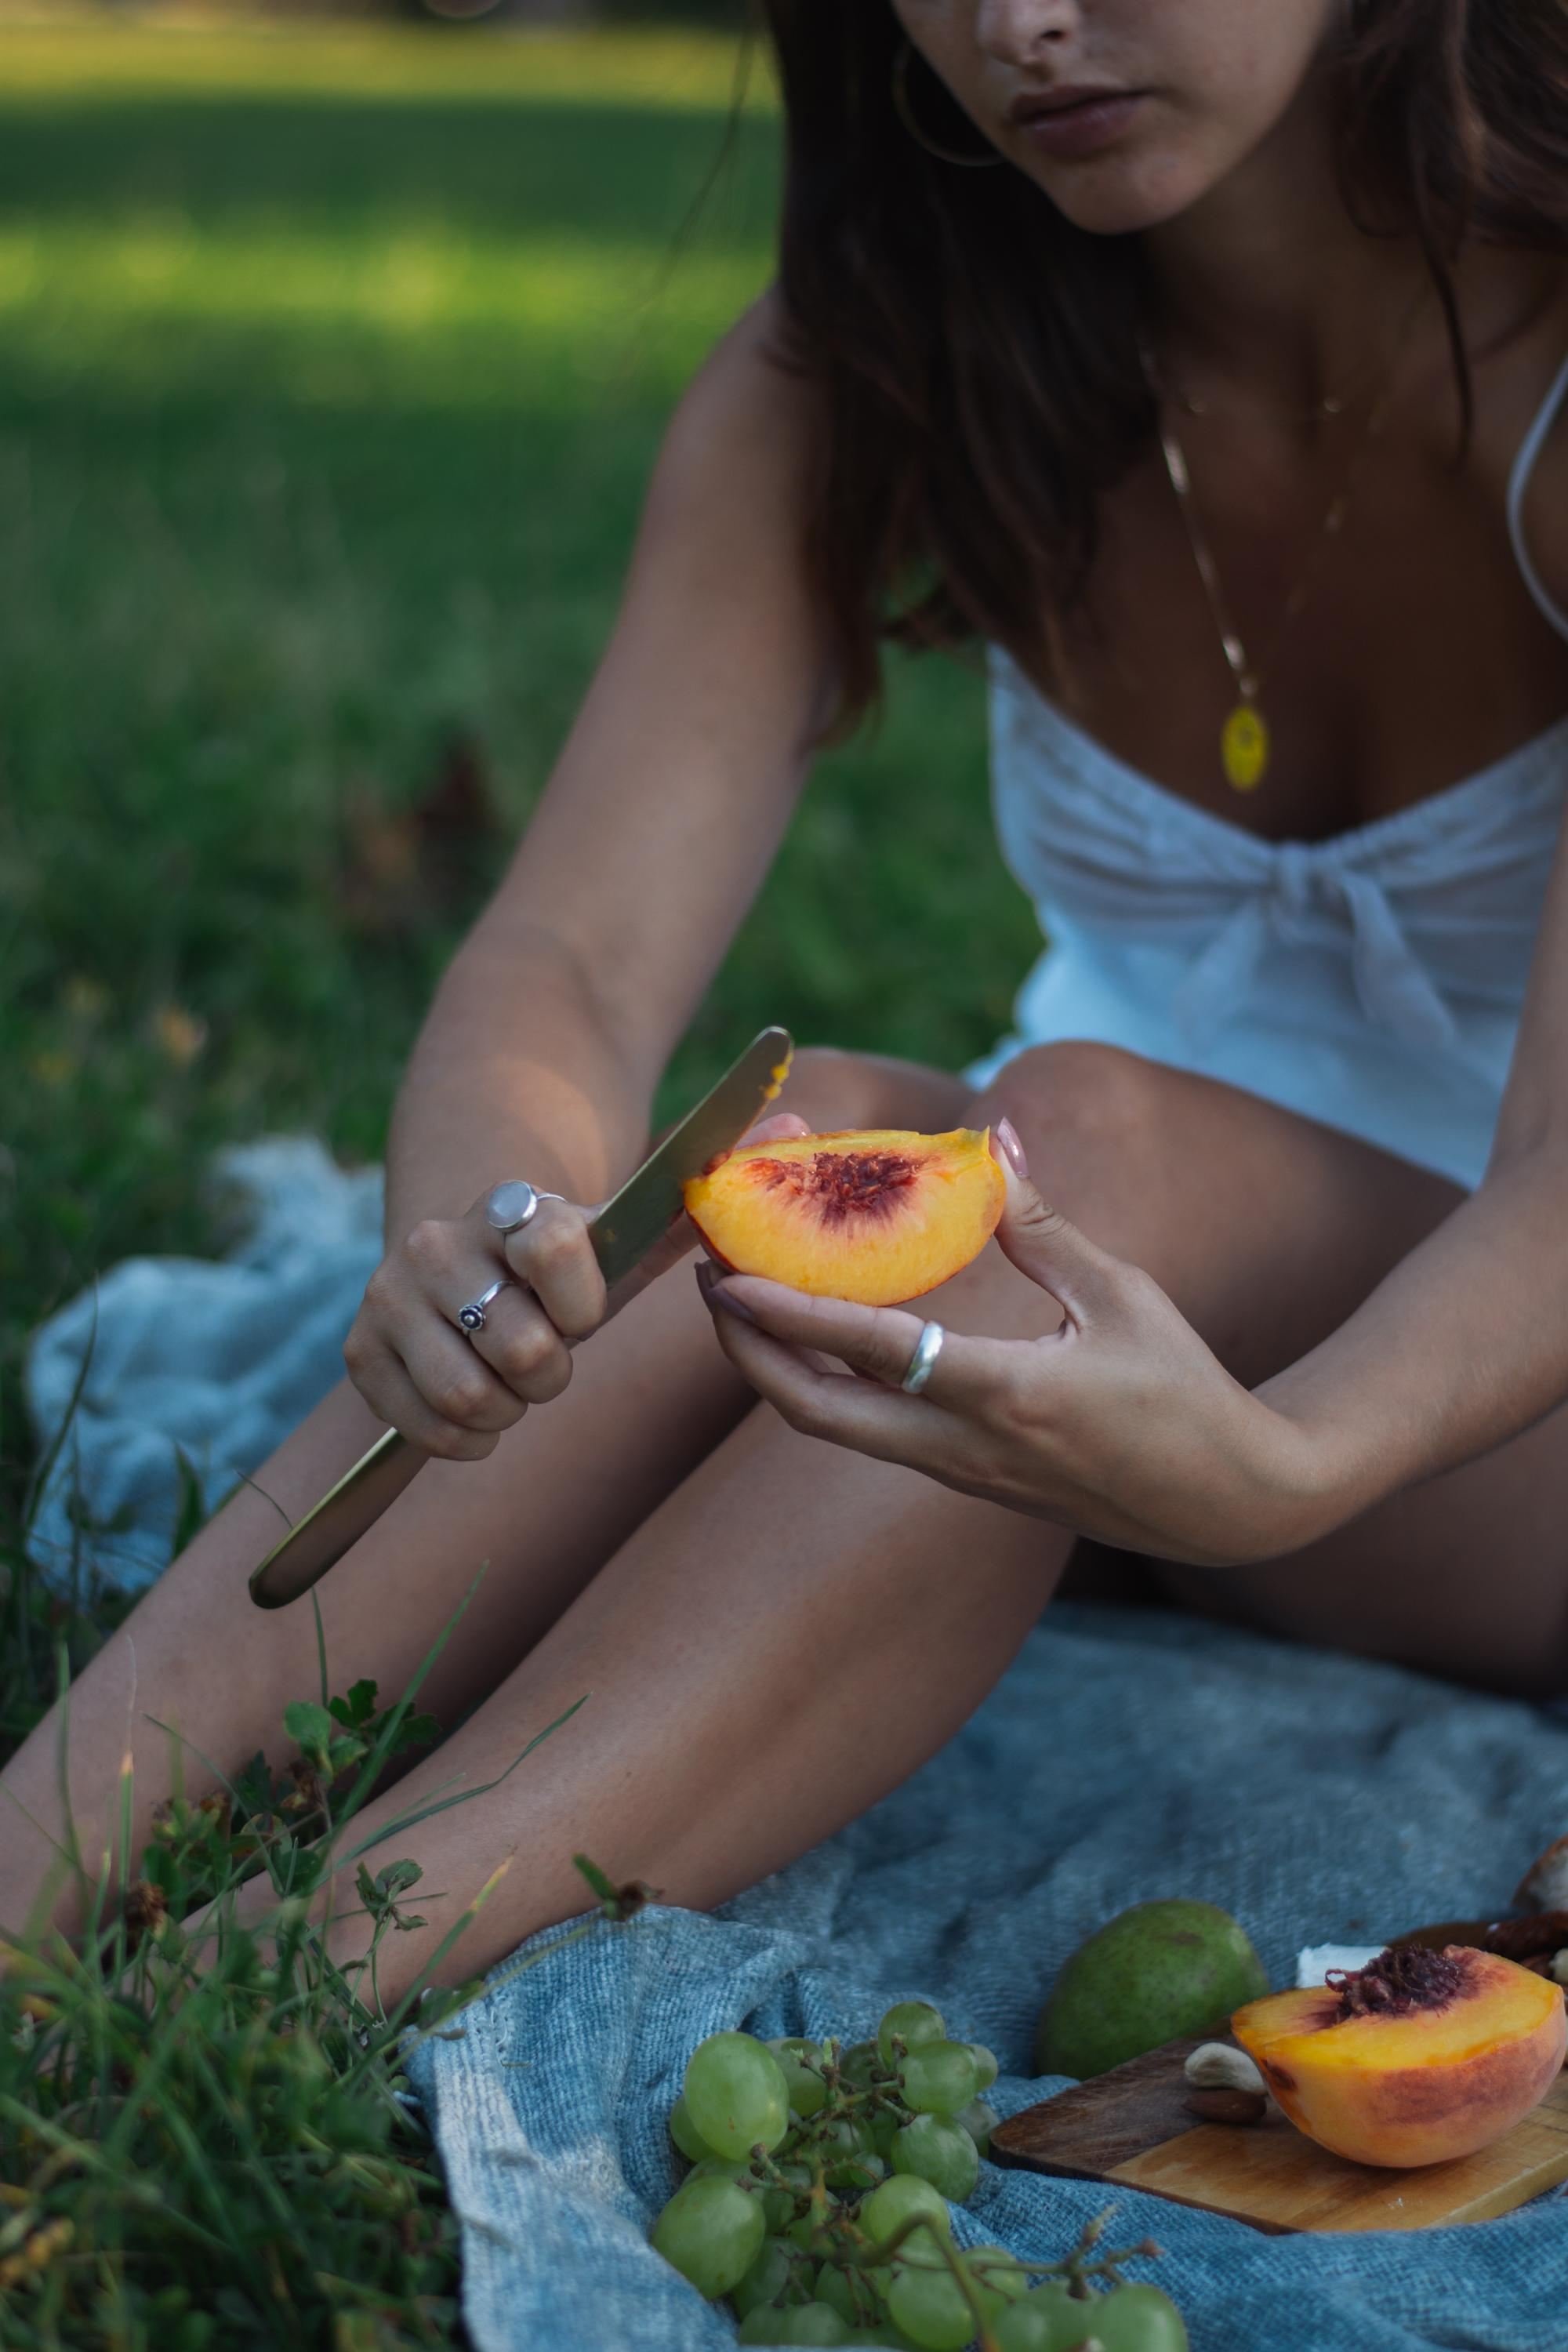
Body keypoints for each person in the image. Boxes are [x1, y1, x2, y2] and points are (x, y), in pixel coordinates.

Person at [7, 0, 1568, 2007]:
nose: (1019, 23)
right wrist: (491, 1236)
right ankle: (30, 1863)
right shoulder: (891, 346)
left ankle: (277, 1989)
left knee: (1064, 1140)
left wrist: (1284, 1467)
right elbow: (572, 961)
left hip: (1476, 1432)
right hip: (1061, 1334)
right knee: (780, 1152)